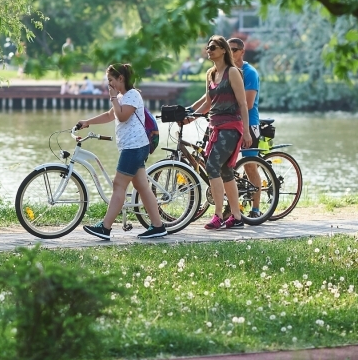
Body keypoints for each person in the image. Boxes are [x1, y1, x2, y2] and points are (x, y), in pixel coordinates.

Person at [78, 63, 167, 240]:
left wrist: (112, 97)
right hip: (133, 146)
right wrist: (88, 122)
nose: (109, 84)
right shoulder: (123, 96)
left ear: (121, 78)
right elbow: (111, 115)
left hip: (134, 147)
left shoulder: (132, 95)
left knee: (119, 185)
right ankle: (158, 226)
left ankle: (105, 227)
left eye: (111, 80)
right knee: (141, 186)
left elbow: (122, 116)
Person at [186, 35, 251, 230]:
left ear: (223, 50)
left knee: (212, 165)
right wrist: (191, 117)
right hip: (214, 126)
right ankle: (237, 216)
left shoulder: (233, 72)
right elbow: (208, 103)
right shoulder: (210, 74)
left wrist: (246, 132)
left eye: (213, 47)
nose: (209, 50)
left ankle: (217, 216)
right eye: (208, 47)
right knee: (224, 170)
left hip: (231, 126)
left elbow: (243, 103)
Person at [228, 37, 262, 218]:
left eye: (234, 49)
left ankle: (256, 209)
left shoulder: (249, 73)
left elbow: (248, 104)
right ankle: (231, 207)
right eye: (228, 49)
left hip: (250, 123)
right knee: (226, 166)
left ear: (242, 52)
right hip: (230, 123)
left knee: (250, 166)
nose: (230, 53)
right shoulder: (226, 71)